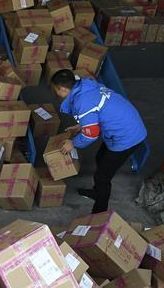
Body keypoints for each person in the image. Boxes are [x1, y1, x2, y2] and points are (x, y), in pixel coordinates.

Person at [50, 69, 147, 214]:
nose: (55, 93)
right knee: (100, 158)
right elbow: (96, 111)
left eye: (55, 90)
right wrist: (82, 124)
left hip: (126, 137)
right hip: (125, 126)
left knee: (102, 177)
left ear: (63, 89)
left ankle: (99, 213)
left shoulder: (81, 102)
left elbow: (91, 135)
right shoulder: (85, 86)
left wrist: (73, 143)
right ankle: (97, 193)